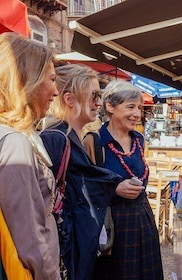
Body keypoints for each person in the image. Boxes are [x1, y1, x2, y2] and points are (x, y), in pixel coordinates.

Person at [40, 64, 131, 280]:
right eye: (93, 96)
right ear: (70, 99)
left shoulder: (71, 138)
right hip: (66, 253)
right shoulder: (55, 138)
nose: (99, 103)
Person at [84, 80, 164, 280]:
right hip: (114, 224)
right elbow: (82, 187)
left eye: (139, 108)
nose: (137, 114)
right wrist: (113, 189)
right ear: (110, 106)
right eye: (130, 107)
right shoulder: (94, 141)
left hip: (143, 218)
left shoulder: (139, 139)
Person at [0, 32, 60, 279]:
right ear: (27, 81)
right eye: (52, 79)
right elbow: (31, 240)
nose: (56, 90)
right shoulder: (14, 142)